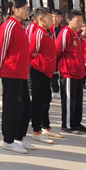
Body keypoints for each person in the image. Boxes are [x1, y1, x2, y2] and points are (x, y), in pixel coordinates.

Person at [0, 0, 34, 154]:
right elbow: (1, 49)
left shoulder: (21, 26)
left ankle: (19, 137)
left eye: (27, 8)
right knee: (12, 107)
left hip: (21, 73)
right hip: (11, 72)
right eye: (24, 8)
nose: (27, 11)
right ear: (14, 9)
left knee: (24, 107)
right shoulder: (9, 25)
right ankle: (8, 140)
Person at [27, 7, 61, 144]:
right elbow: (32, 52)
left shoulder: (48, 33)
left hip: (46, 72)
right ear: (41, 19)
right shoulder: (39, 33)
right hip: (38, 71)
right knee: (38, 100)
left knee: (46, 98)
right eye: (49, 17)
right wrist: (41, 63)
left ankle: (46, 126)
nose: (52, 20)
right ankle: (36, 130)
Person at [56, 9, 86, 134]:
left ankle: (77, 123)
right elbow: (58, 51)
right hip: (68, 72)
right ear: (69, 21)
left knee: (78, 99)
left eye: (82, 20)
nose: (81, 23)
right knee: (69, 99)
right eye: (78, 20)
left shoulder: (78, 34)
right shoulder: (66, 33)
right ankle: (67, 124)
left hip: (79, 72)